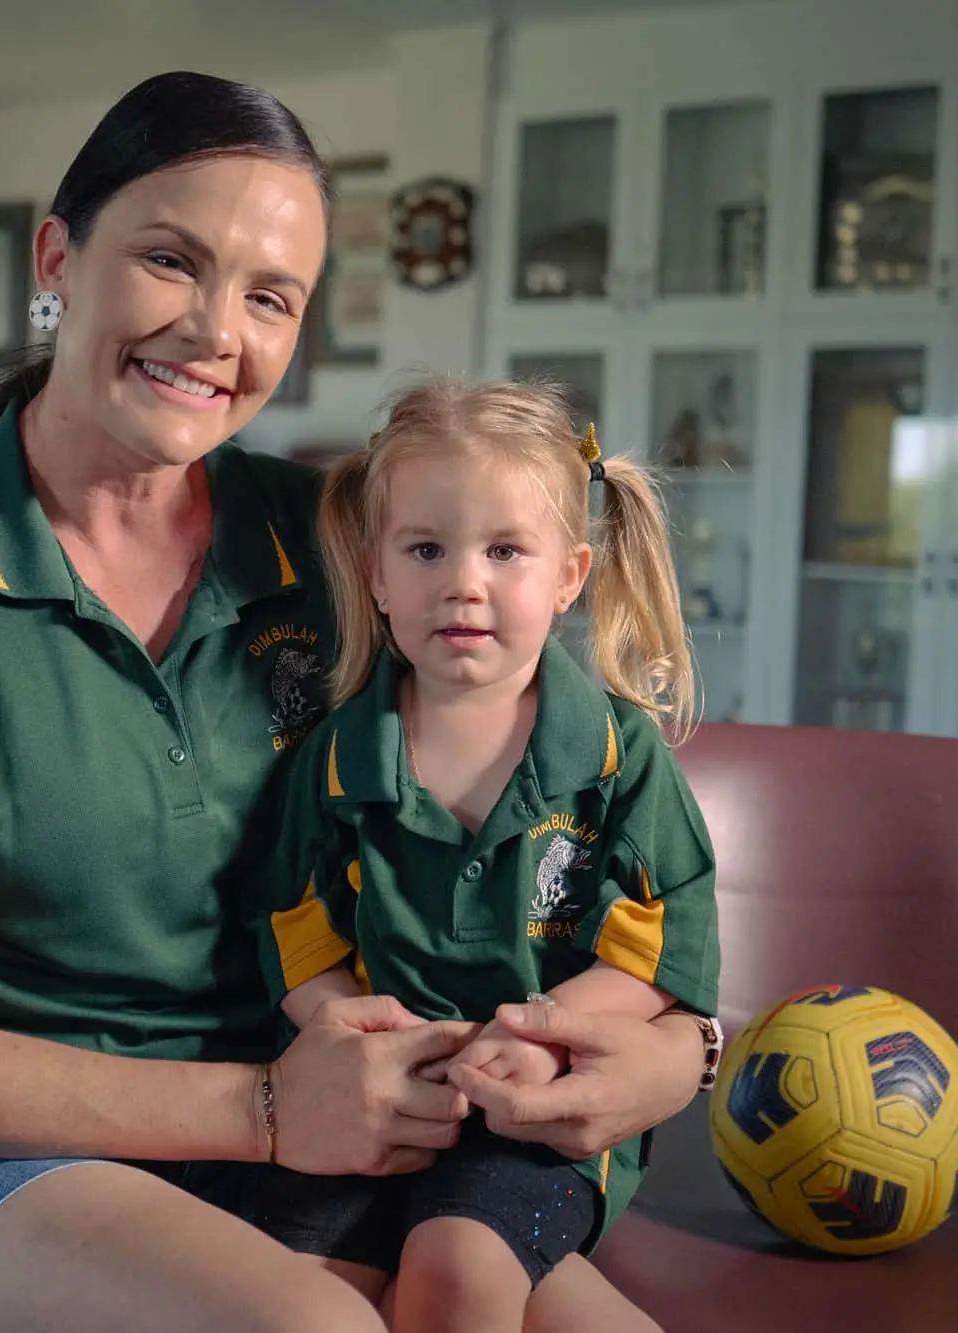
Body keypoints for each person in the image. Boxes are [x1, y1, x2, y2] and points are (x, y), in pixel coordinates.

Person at [0, 70, 716, 1333]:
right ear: (57, 258)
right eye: (167, 260)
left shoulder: (332, 543)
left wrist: (676, 1047)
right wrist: (260, 1106)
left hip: (313, 1138)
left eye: (268, 297)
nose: (213, 331)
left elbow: (559, 807)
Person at [248, 381, 722, 1333]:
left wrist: (542, 1030)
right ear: (378, 576)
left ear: (569, 577)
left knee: (458, 1270)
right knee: (296, 1295)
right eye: (425, 549)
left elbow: (659, 950)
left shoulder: (620, 759)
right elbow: (297, 931)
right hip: (381, 1102)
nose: (463, 582)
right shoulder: (337, 758)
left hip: (543, 1115)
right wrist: (355, 1036)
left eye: (506, 551)